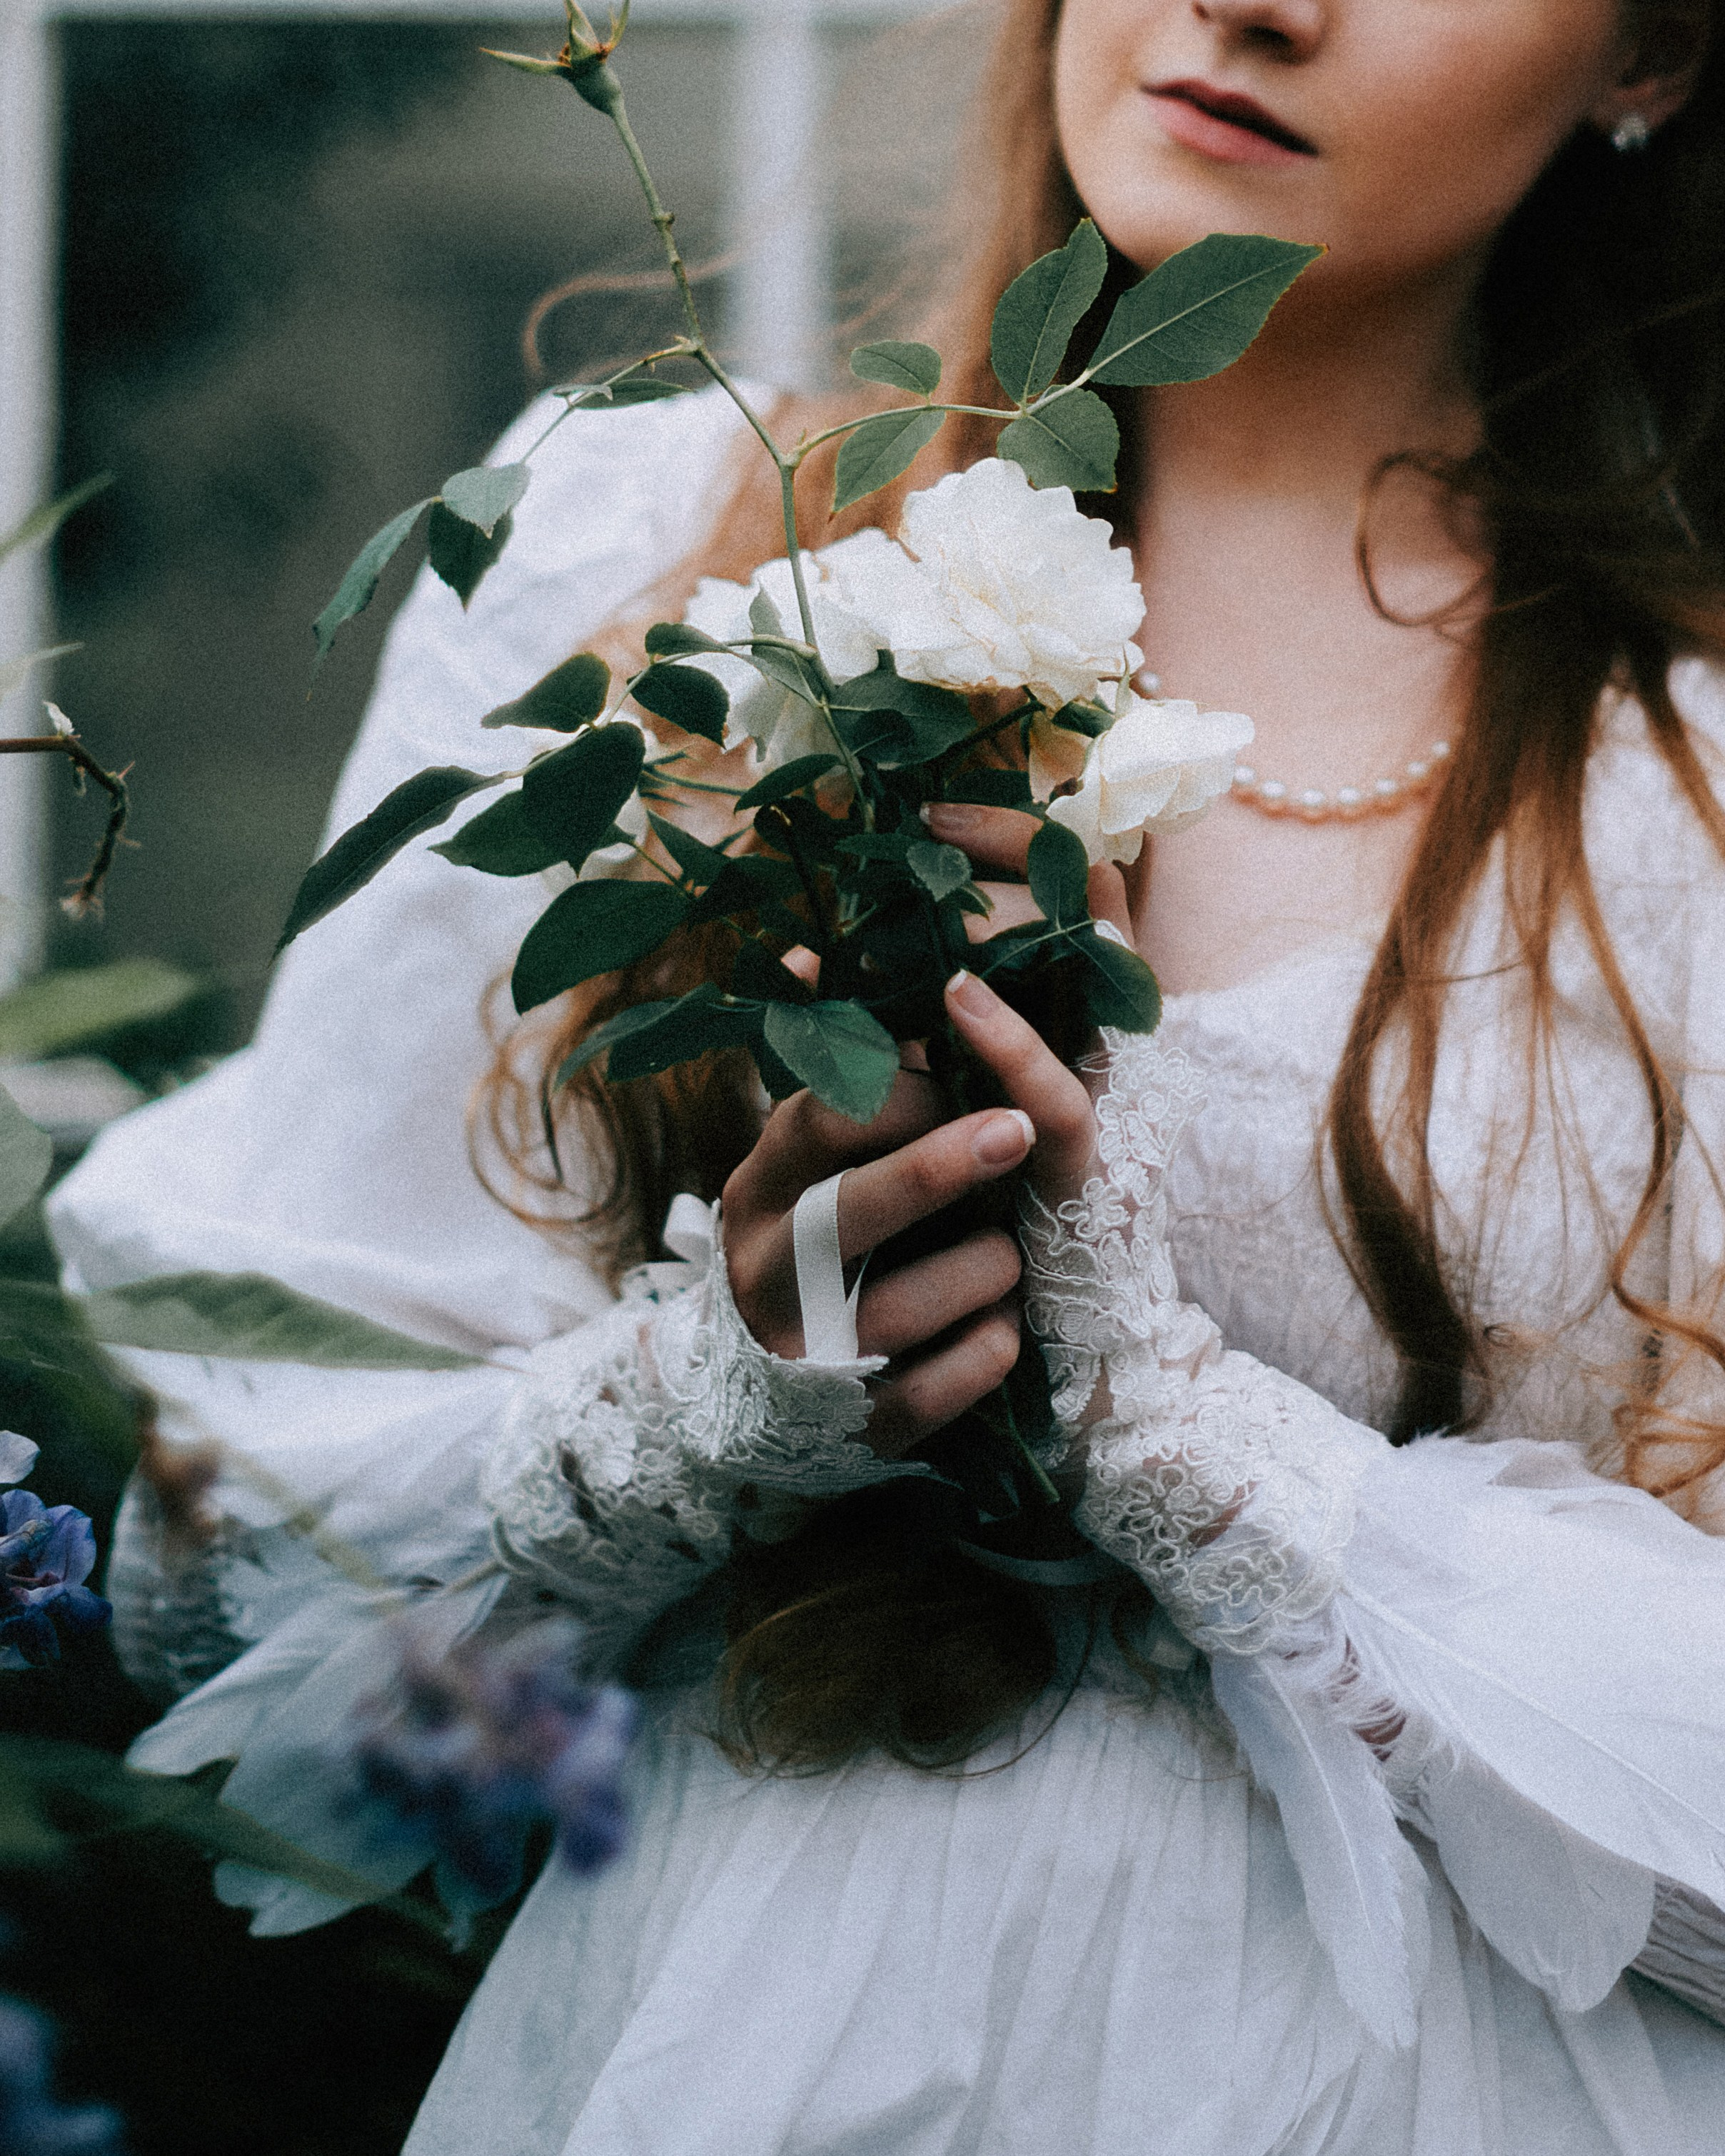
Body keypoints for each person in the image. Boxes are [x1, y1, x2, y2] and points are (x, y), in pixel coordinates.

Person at [49, 0, 1725, 2147]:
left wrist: (1204, 1456)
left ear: (1651, 52)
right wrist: (695, 1413)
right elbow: (211, 1573)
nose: (1257, 0)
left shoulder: (1677, 799)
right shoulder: (664, 555)